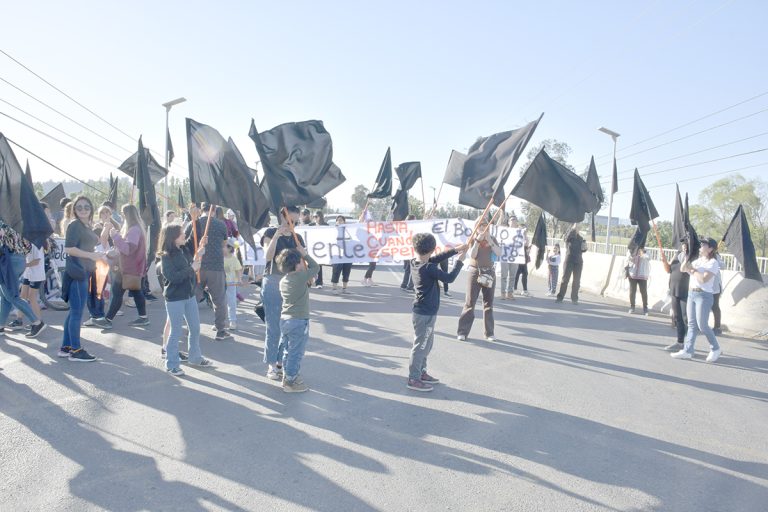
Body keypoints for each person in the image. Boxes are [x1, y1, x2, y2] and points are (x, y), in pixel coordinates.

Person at [407, 234, 467, 392]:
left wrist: (455, 250)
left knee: (426, 345)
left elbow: (436, 258)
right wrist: (460, 261)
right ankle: (414, 378)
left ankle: (421, 372)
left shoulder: (416, 262)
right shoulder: (429, 268)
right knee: (421, 346)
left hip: (424, 312)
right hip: (425, 314)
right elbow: (449, 278)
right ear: (431, 249)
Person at [158, 223, 212, 376]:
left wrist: (194, 219)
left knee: (195, 328)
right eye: (181, 233)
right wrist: (192, 268)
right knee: (175, 331)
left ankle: (195, 358)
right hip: (175, 298)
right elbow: (173, 277)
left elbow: (194, 233)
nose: (184, 235)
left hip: (189, 296)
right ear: (173, 237)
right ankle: (171, 363)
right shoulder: (166, 256)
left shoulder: (183, 249)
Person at [59, 196, 106, 361]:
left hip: (84, 272)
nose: (83, 209)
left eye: (87, 206)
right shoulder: (74, 225)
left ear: (91, 209)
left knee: (74, 312)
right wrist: (91, 255)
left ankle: (66, 347)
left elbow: (88, 246)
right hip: (78, 274)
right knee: (77, 313)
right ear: (74, 210)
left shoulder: (85, 225)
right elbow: (69, 249)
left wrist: (100, 255)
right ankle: (76, 351)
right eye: (79, 207)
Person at [261, 206, 305, 380]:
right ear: (281, 218)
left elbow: (302, 263)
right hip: (273, 281)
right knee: (273, 327)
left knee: (290, 326)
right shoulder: (270, 233)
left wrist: (305, 256)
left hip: (293, 284)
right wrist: (277, 235)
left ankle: (283, 362)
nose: (292, 225)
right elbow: (267, 256)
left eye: (295, 222)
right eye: (289, 221)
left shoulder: (298, 237)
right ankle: (272, 365)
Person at [94, 205, 148, 329]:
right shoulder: (138, 228)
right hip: (134, 267)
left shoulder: (134, 229)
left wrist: (115, 236)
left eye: (123, 213)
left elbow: (128, 249)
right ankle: (143, 317)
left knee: (117, 292)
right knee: (135, 291)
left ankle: (108, 319)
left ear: (128, 215)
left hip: (128, 267)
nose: (122, 216)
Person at [275, 246, 320, 392]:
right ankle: (290, 381)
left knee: (288, 350)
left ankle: (287, 375)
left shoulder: (283, 280)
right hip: (299, 320)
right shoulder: (301, 277)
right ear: (296, 264)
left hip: (285, 320)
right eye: (301, 261)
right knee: (296, 352)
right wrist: (305, 254)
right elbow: (316, 267)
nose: (303, 264)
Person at [671, 237, 722, 362]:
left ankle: (715, 348)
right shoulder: (698, 261)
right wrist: (688, 258)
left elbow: (704, 279)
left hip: (704, 296)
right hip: (691, 293)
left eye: (704, 244)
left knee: (702, 325)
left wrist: (692, 270)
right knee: (692, 324)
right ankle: (688, 350)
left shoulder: (713, 263)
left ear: (710, 248)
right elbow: (683, 268)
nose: (700, 246)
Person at [185, 203, 231, 340]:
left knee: (192, 298)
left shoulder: (193, 223)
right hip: (216, 266)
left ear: (201, 209)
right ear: (214, 211)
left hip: (196, 266)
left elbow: (185, 243)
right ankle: (220, 330)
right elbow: (224, 245)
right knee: (219, 300)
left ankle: (190, 328)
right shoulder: (221, 224)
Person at [0, 220, 46, 338]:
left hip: (8, 261)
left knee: (11, 296)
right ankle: (0, 326)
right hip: (19, 259)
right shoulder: (13, 222)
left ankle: (37, 322)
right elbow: (28, 245)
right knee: (5, 296)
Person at [457, 219, 501, 342]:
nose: (483, 228)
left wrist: (490, 241)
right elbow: (472, 255)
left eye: (485, 225)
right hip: (475, 271)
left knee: (488, 304)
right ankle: (462, 332)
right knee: (470, 302)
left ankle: (489, 333)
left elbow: (499, 252)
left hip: (489, 272)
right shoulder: (472, 238)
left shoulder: (492, 239)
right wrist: (477, 240)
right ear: (476, 227)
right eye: (480, 225)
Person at [664, 240, 689, 351]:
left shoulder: (692, 257)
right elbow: (669, 270)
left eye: (686, 244)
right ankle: (680, 342)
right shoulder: (677, 254)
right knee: (678, 317)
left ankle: (688, 344)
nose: (684, 246)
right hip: (674, 289)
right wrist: (665, 262)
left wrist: (687, 256)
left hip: (686, 291)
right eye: (682, 244)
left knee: (685, 318)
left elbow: (686, 269)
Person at [556, 225, 586, 305]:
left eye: (578, 227)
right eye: (576, 227)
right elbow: (565, 239)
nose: (577, 229)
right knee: (565, 280)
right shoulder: (569, 236)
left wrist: (584, 247)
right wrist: (572, 228)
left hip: (578, 262)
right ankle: (560, 297)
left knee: (576, 281)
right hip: (569, 260)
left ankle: (574, 299)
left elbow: (583, 250)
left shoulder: (581, 238)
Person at [498, 213, 520, 300]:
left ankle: (510, 293)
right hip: (505, 256)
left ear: (517, 222)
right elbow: (497, 227)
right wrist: (500, 216)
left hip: (515, 257)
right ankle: (503, 293)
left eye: (515, 219)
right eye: (511, 219)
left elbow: (526, 243)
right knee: (504, 275)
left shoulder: (520, 232)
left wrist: (524, 234)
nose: (513, 221)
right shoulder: (504, 230)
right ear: (509, 222)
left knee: (512, 276)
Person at [223, 242, 243, 330]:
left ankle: (233, 321)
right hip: (221, 284)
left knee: (231, 303)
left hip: (231, 284)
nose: (221, 248)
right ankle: (220, 322)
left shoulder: (234, 259)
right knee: (220, 304)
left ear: (230, 248)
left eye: (223, 247)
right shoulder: (220, 258)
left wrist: (239, 280)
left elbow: (238, 270)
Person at [625, 247, 650, 315]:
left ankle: (645, 307)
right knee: (632, 291)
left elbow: (648, 258)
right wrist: (634, 254)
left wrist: (642, 252)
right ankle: (632, 306)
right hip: (632, 274)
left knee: (643, 292)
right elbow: (628, 259)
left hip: (642, 274)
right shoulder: (631, 249)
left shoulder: (646, 250)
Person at [331, 215, 352, 294]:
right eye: (338, 220)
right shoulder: (333, 230)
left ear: (344, 222)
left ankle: (344, 288)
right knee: (336, 271)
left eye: (341, 220)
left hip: (348, 254)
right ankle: (334, 289)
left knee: (346, 271)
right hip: (337, 254)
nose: (339, 221)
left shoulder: (348, 231)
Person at [400, 214, 417, 292]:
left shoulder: (404, 227)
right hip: (411, 252)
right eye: (415, 219)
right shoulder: (413, 228)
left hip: (406, 252)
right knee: (414, 269)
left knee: (408, 269)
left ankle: (404, 285)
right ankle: (410, 287)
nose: (416, 221)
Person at [711, 248, 725, 335]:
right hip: (704, 286)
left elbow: (723, 266)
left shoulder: (716, 256)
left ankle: (717, 327)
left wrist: (716, 260)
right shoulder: (701, 256)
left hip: (715, 286)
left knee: (715, 306)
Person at [312, 210, 327, 288]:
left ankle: (319, 283)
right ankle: (309, 282)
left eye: (316, 216)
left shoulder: (326, 225)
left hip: (321, 248)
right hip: (312, 248)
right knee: (309, 265)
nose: (314, 218)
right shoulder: (310, 225)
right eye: (314, 216)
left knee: (319, 266)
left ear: (320, 217)